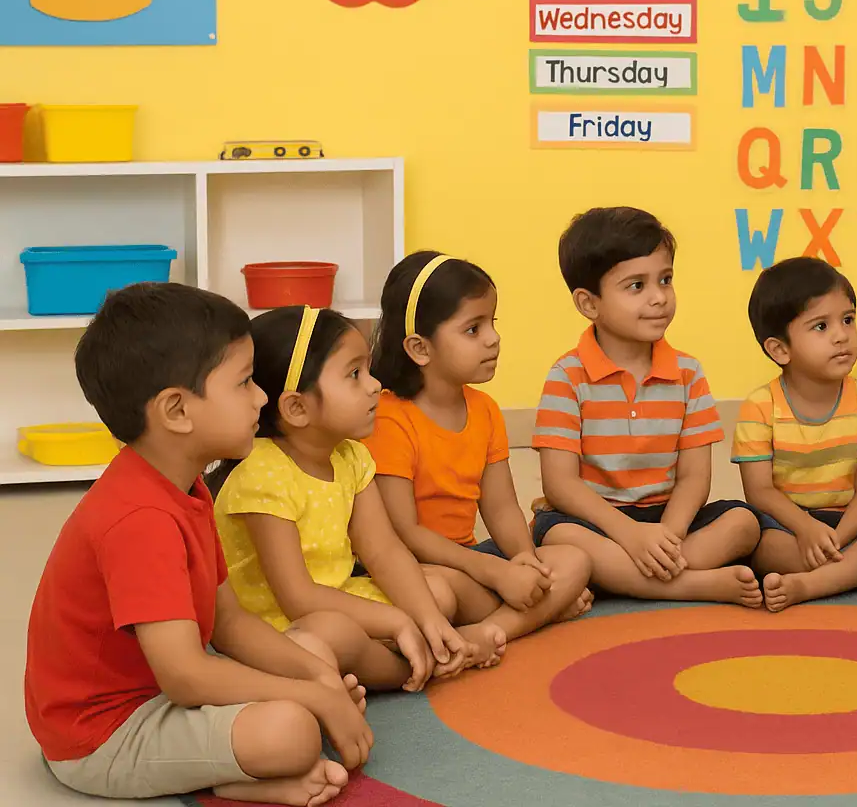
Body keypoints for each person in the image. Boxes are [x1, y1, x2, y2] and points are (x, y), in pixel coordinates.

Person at [25, 283, 369, 806]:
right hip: (103, 738)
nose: (262, 397)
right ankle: (230, 777)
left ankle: (236, 767)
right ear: (177, 412)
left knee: (314, 652)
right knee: (291, 732)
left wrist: (317, 676)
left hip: (159, 692)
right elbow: (186, 676)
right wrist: (312, 695)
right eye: (246, 382)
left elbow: (228, 623)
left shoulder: (184, 482)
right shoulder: (140, 519)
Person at [211, 306, 514, 694]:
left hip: (339, 596)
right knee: (334, 635)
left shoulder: (351, 456)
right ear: (297, 408)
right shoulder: (262, 472)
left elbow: (384, 551)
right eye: (354, 374)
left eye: (368, 370)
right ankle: (429, 662)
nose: (374, 386)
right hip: (284, 623)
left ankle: (434, 645)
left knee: (436, 592)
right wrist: (397, 623)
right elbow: (298, 598)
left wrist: (426, 618)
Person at [532, 207, 764, 606]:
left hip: (666, 519)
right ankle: (691, 584)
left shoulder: (688, 373)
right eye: (636, 285)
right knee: (558, 536)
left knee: (744, 523)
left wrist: (667, 537)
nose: (659, 297)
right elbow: (561, 485)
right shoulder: (567, 375)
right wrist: (630, 535)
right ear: (589, 304)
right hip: (597, 521)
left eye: (666, 280)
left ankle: (628, 576)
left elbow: (694, 478)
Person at [365, 252, 593, 640]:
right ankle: (532, 616)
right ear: (420, 349)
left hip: (470, 557)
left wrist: (525, 561)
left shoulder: (484, 409)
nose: (493, 338)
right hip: (417, 567)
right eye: (473, 329)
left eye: (492, 323)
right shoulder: (389, 419)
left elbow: (501, 506)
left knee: (572, 559)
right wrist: (495, 573)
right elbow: (405, 532)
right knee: (439, 595)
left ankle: (491, 630)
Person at [733, 257, 857, 611]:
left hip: (850, 520)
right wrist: (806, 529)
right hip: (788, 525)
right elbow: (759, 491)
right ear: (780, 349)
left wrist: (836, 537)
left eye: (848, 320)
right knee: (754, 542)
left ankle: (812, 584)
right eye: (820, 326)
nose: (841, 335)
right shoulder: (759, 406)